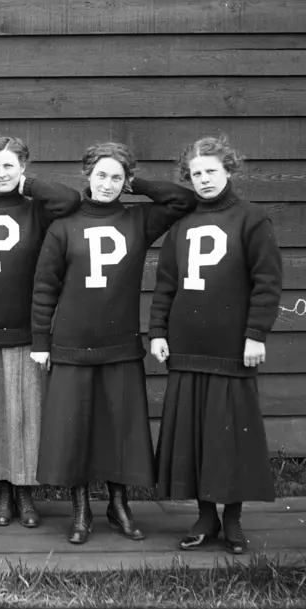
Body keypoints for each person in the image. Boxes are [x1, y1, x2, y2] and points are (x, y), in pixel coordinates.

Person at [30, 141, 197, 545]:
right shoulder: (63, 225)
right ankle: (81, 508)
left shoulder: (138, 219)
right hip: (71, 344)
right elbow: (44, 287)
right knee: (76, 432)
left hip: (120, 344)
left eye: (117, 178)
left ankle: (119, 505)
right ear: (87, 175)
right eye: (101, 175)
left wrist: (136, 182)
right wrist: (41, 339)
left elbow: (183, 200)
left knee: (121, 429)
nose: (108, 184)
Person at [148, 136, 282, 555]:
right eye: (196, 174)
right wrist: (157, 333)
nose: (204, 180)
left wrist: (255, 334)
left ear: (229, 172)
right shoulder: (182, 225)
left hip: (231, 347)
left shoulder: (251, 219)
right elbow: (165, 285)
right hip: (187, 344)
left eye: (211, 172)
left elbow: (267, 283)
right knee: (195, 433)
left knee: (230, 435)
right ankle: (205, 517)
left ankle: (234, 519)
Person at [0, 136, 80, 528]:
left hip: (27, 331)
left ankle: (26, 494)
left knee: (26, 417)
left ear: (23, 167)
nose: (1, 173)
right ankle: (2, 494)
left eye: (9, 165)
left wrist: (30, 187)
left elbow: (70, 201)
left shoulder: (40, 211)